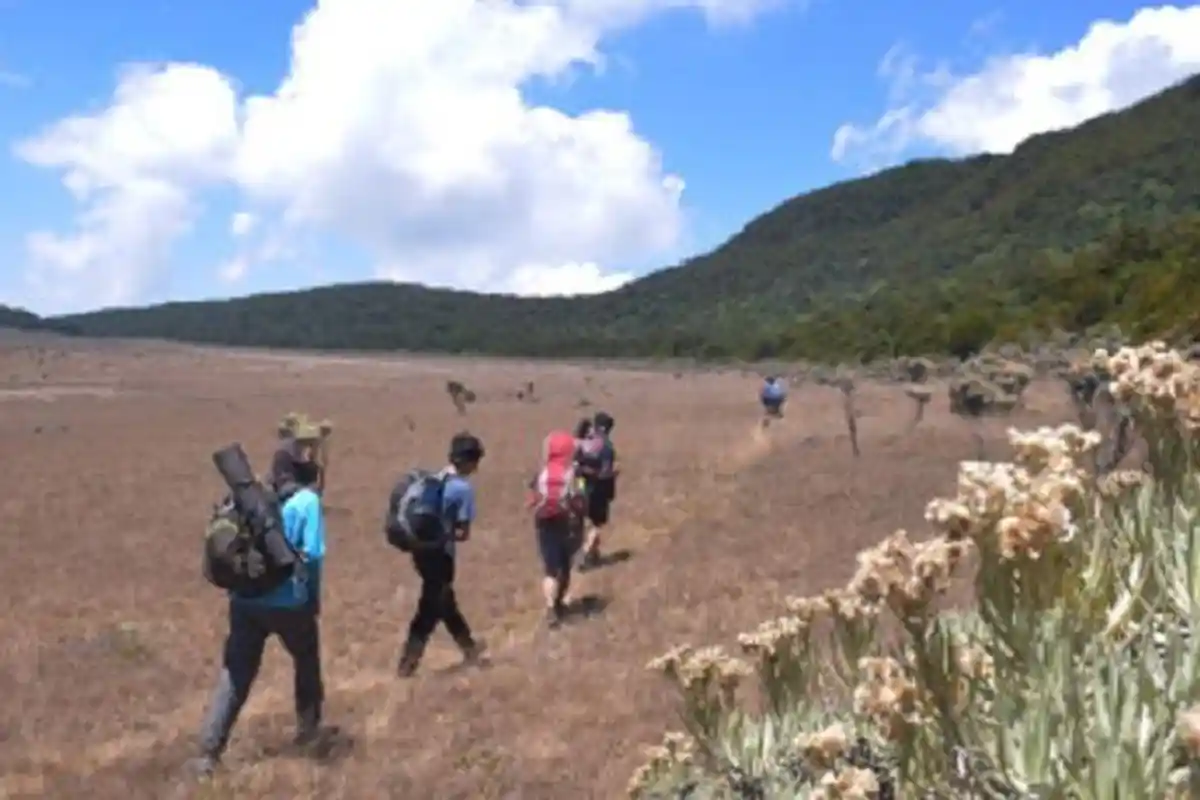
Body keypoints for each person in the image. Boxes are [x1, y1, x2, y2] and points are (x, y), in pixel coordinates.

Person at [189, 423, 329, 779]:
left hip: (245, 601)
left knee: (235, 674)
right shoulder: (307, 502)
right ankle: (309, 730)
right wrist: (311, 601)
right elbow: (311, 557)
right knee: (306, 658)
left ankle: (207, 754)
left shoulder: (254, 498)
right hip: (288, 604)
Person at [396, 432, 488, 677]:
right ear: (469, 462)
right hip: (441, 555)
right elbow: (463, 532)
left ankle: (469, 649)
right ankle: (408, 663)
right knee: (430, 609)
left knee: (445, 602)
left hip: (419, 551)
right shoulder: (462, 489)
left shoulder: (432, 479)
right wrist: (447, 534)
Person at [527, 430, 586, 628]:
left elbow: (532, 499)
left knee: (550, 568)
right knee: (565, 565)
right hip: (566, 522)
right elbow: (579, 498)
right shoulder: (573, 473)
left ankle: (550, 606)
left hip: (544, 522)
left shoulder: (541, 474)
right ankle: (559, 603)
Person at [576, 411, 619, 571]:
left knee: (582, 523)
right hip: (599, 490)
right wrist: (614, 474)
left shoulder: (584, 442)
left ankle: (593, 553)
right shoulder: (607, 447)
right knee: (596, 524)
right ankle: (586, 554)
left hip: (580, 487)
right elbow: (605, 473)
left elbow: (576, 465)